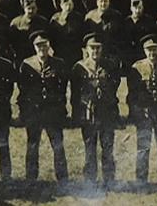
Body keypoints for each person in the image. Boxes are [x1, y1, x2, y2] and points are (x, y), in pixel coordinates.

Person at [18, 31, 70, 183]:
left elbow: (62, 89)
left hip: (52, 112)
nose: (42, 48)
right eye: (38, 45)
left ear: (49, 46)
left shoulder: (58, 64)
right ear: (34, 47)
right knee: (32, 145)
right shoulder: (27, 65)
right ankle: (31, 178)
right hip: (34, 112)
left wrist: (61, 110)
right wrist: (24, 112)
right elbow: (23, 91)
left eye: (45, 45)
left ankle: (63, 179)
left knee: (58, 145)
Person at [72, 34, 122, 184]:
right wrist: (77, 114)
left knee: (107, 147)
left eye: (98, 48)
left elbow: (115, 87)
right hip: (88, 113)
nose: (95, 51)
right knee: (89, 147)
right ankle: (90, 180)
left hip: (106, 112)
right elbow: (75, 94)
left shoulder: (110, 66)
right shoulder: (79, 67)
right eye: (92, 48)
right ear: (86, 50)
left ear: (102, 49)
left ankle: (109, 179)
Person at [126, 34, 157, 184]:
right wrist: (137, 111)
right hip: (144, 113)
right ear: (144, 51)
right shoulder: (137, 67)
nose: (152, 53)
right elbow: (132, 93)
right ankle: (141, 181)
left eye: (155, 50)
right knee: (143, 147)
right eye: (149, 50)